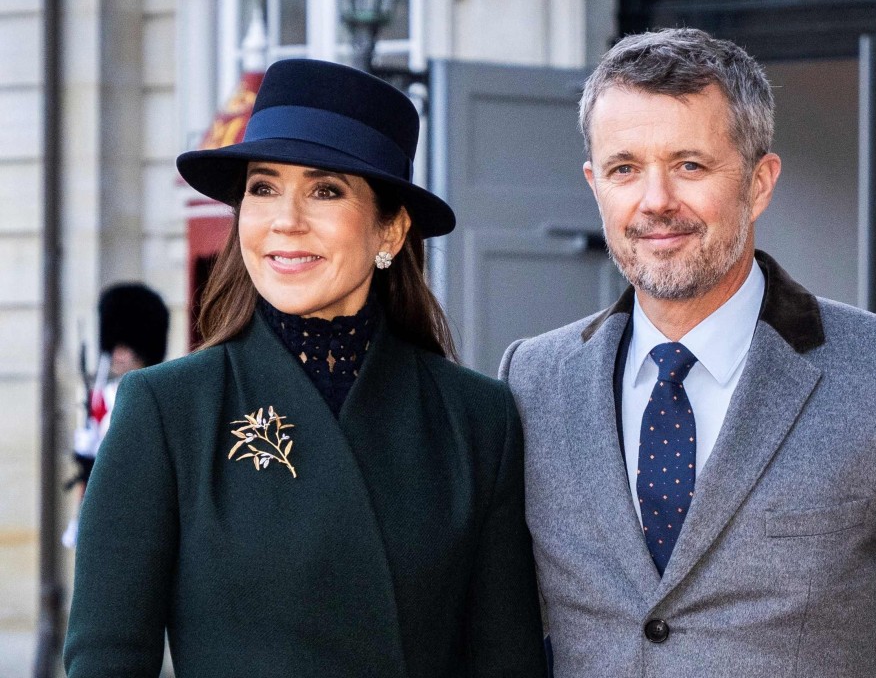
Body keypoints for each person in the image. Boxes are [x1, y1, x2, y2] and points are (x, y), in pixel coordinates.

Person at [500, 27, 876, 677]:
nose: (656, 201)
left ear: (760, 182)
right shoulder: (533, 381)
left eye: (690, 165)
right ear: (594, 184)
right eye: (625, 168)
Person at [64, 59, 546, 677]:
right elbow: (105, 660)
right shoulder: (166, 410)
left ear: (391, 231)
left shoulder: (477, 420)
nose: (285, 220)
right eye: (263, 188)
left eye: (325, 190)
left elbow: (508, 664)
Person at [62, 282, 170, 548]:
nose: (118, 354)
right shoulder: (102, 395)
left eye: (127, 346)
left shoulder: (158, 394)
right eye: (115, 345)